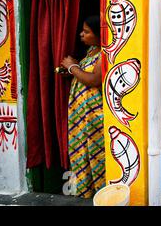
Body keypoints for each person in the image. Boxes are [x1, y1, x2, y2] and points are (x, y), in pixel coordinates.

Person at [61, 15, 105, 198]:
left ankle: (100, 193)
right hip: (80, 114)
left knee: (95, 152)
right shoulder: (92, 52)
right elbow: (83, 74)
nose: (81, 34)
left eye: (86, 31)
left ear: (99, 35)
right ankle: (84, 191)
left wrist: (73, 68)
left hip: (93, 115)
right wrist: (72, 70)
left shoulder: (103, 55)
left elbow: (94, 80)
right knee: (81, 150)